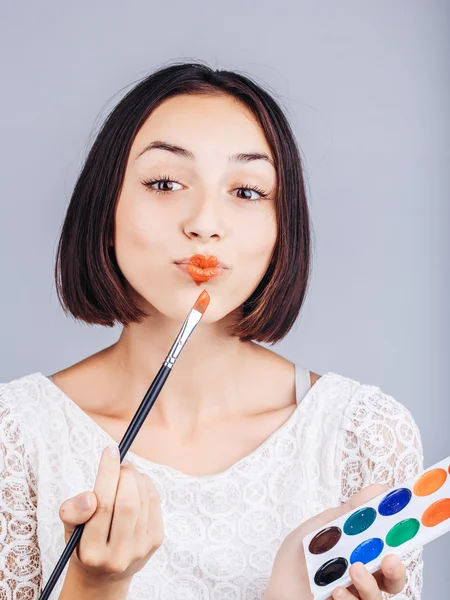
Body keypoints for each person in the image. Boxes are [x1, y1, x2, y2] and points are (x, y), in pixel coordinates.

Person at [0, 61, 424, 600]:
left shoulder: (365, 437)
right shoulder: (13, 438)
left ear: (282, 227)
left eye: (246, 191)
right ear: (103, 209)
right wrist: (93, 585)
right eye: (164, 183)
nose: (204, 222)